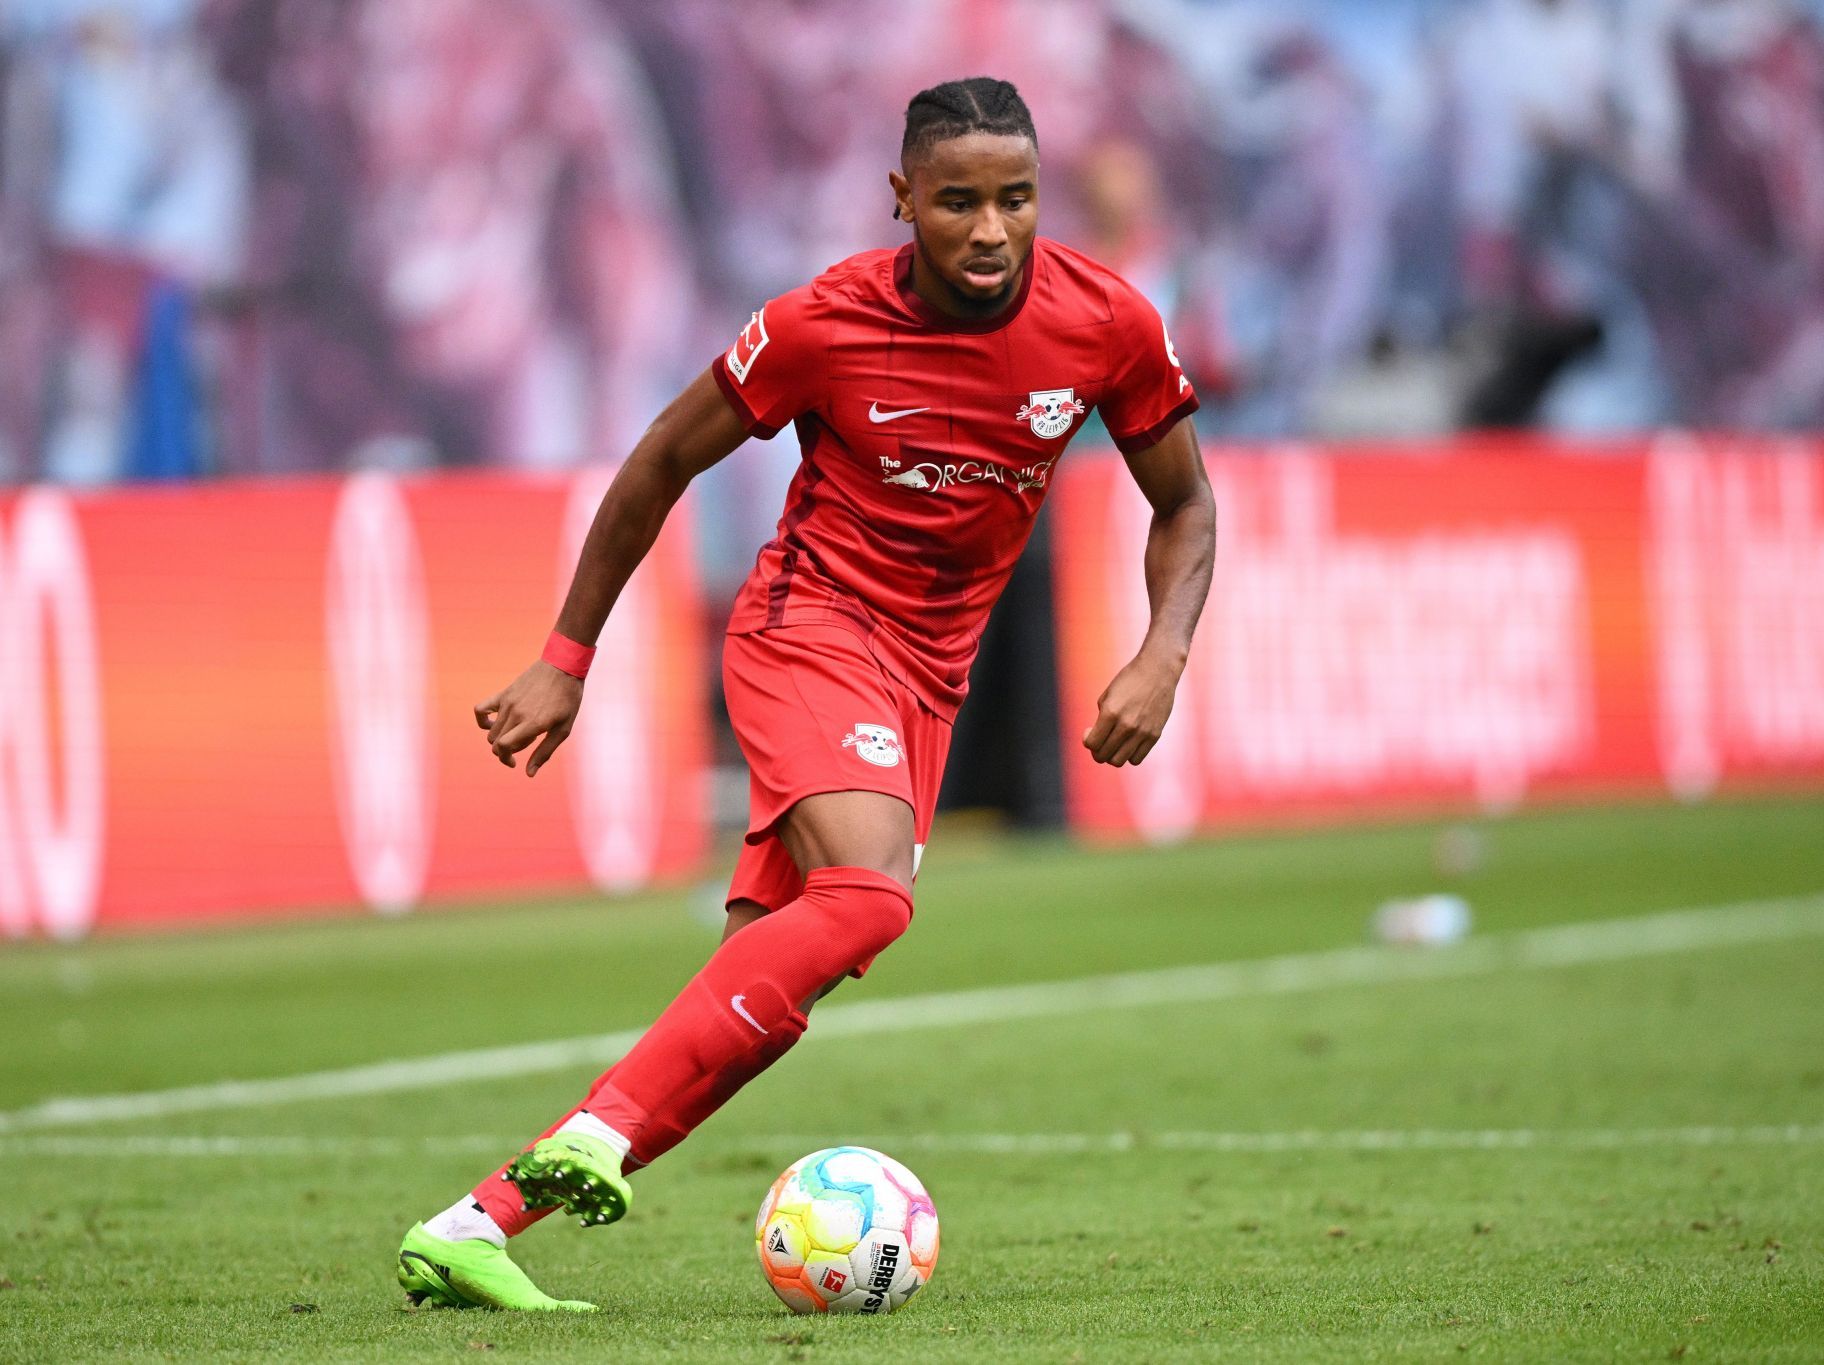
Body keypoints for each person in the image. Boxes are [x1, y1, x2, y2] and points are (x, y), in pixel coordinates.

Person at [395, 76, 1215, 1312]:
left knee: (757, 1007)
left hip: (931, 676)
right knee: (871, 899)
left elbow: (1187, 503)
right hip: (808, 629)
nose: (989, 230)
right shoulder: (823, 324)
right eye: (956, 203)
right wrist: (567, 659)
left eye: (1014, 199)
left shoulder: (1105, 323)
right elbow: (662, 460)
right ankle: (598, 1139)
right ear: (904, 201)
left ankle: (475, 1222)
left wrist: (1163, 653)